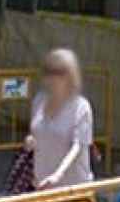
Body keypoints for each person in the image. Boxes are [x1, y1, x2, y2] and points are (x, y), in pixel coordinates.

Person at [28, 48, 94, 191]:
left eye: (59, 72)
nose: (52, 77)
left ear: (71, 75)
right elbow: (36, 133)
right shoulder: (39, 100)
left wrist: (57, 175)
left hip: (72, 187)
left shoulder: (81, 107)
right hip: (42, 184)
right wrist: (30, 141)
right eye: (48, 71)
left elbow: (77, 146)